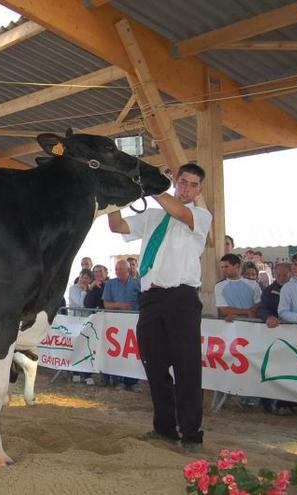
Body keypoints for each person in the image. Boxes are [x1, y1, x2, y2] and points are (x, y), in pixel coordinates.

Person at [108, 162, 211, 452]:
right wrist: (112, 199)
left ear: (198, 190)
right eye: (182, 182)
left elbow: (177, 211)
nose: (186, 188)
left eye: (193, 184)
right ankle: (164, 428)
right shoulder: (153, 215)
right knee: (154, 366)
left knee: (187, 368)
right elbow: (117, 226)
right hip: (151, 299)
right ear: (175, 183)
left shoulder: (200, 217)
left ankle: (191, 433)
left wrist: (154, 184)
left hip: (182, 298)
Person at [256, 262, 297, 414]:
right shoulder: (269, 290)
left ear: (291, 274)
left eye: (284, 275)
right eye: (278, 275)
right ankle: (268, 401)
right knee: (273, 368)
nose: (280, 278)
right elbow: (262, 309)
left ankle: (289, 402)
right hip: (275, 336)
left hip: (296, 336)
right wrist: (268, 317)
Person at [101, 259, 141, 391]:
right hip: (116, 324)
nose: (118, 272)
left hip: (133, 323)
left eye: (121, 269)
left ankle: (133, 382)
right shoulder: (110, 284)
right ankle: (119, 381)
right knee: (116, 352)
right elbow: (106, 304)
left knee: (132, 352)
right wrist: (118, 305)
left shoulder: (137, 284)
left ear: (128, 270)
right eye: (116, 269)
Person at [215, 254, 261, 323]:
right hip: (231, 325)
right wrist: (247, 312)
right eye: (222, 267)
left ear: (236, 266)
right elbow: (224, 309)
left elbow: (259, 304)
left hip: (252, 324)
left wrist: (245, 314)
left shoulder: (253, 284)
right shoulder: (219, 286)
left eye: (226, 267)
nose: (223, 270)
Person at [69, 268, 94, 385]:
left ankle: (88, 374)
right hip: (75, 321)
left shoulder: (90, 290)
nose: (84, 280)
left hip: (87, 321)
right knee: (77, 346)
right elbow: (80, 305)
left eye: (87, 278)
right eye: (83, 277)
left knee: (87, 347)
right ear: (79, 276)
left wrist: (87, 291)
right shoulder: (73, 289)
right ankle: (76, 372)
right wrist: (84, 292)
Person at [278, 252, 297, 324]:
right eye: (292, 264)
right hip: (295, 331)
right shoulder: (287, 287)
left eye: (296, 264)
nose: (292, 267)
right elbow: (282, 312)